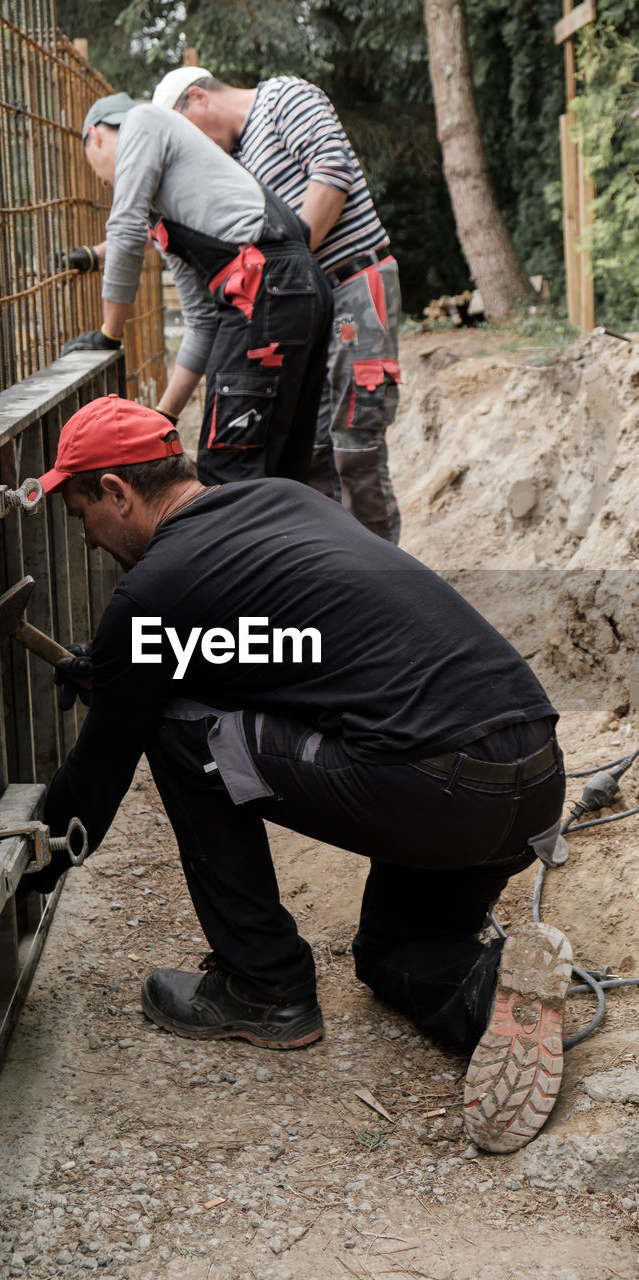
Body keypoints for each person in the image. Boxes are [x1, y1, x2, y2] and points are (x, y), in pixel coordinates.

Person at [29, 393, 572, 1155]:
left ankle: (264, 987)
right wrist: (126, 668)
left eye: (81, 514)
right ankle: (488, 1003)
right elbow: (294, 649)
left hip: (438, 789)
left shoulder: (152, 589)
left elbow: (100, 772)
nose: (86, 540)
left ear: (117, 492)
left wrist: (26, 873)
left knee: (177, 729)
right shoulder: (282, 499)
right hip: (532, 778)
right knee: (390, 957)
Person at [153, 67, 402, 543]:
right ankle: (335, 576)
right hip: (306, 308)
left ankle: (387, 574)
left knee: (356, 444)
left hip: (352, 284)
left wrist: (290, 267)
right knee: (312, 449)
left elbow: (332, 172)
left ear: (199, 98)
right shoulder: (237, 160)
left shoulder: (284, 97)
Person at [62, 93, 332, 486]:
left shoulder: (143, 120)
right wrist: (164, 417)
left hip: (266, 289)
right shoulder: (174, 212)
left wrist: (109, 334)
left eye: (97, 173)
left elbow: (122, 229)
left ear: (96, 136)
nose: (105, 184)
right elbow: (203, 321)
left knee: (227, 472)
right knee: (282, 471)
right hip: (300, 289)